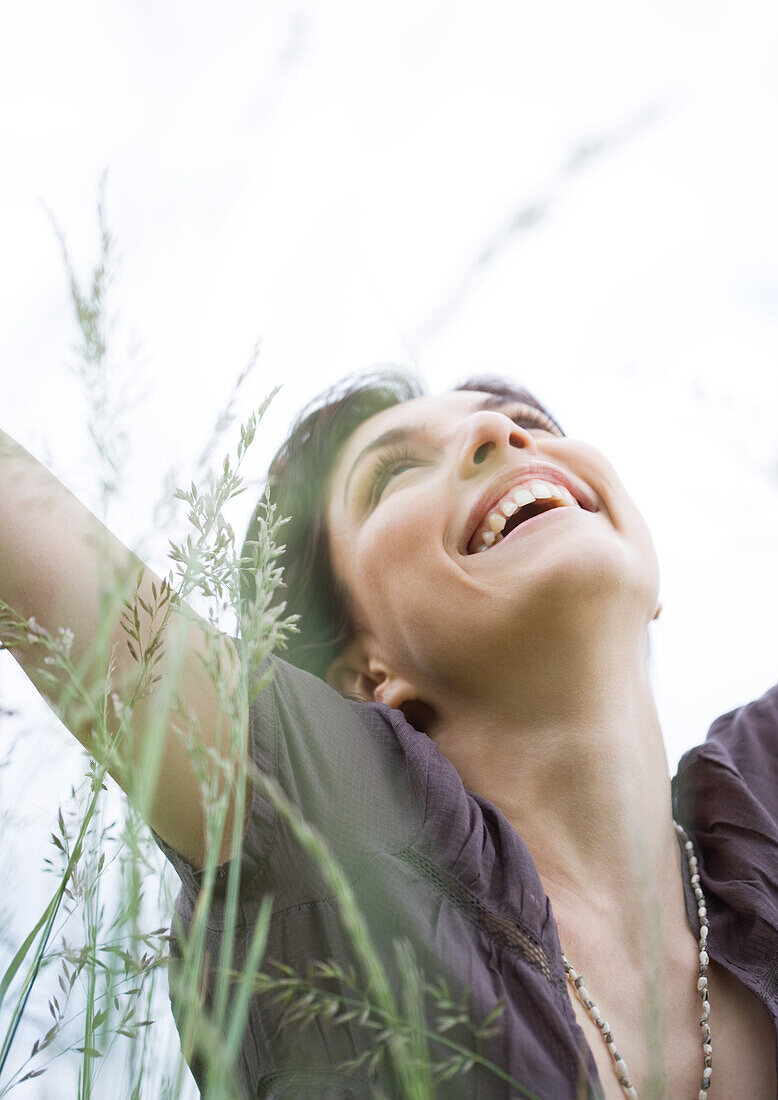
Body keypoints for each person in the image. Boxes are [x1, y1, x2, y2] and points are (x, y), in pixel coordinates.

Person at [1, 371, 776, 1099]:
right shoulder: (332, 842)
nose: (495, 433)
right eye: (396, 475)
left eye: (527, 422)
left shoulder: (763, 784)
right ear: (362, 678)